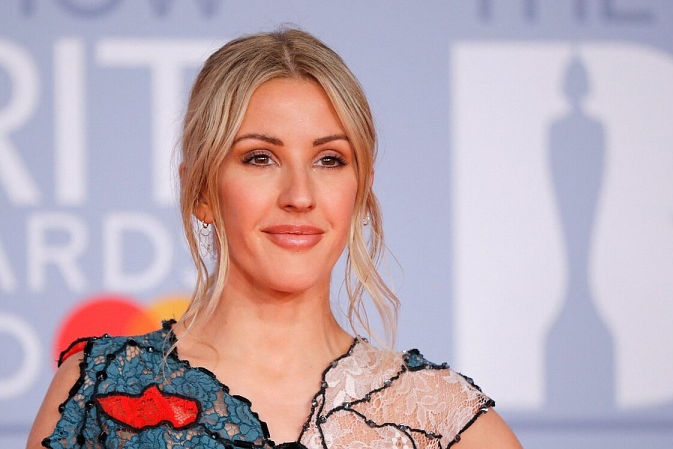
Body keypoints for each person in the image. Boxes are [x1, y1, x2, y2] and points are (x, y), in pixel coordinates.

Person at [27, 28, 522, 448]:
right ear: (201, 190)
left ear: (360, 191)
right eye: (260, 158)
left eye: (329, 160)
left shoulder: (443, 420)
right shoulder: (96, 392)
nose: (300, 196)